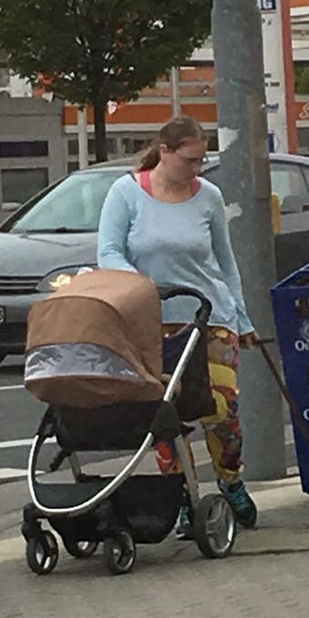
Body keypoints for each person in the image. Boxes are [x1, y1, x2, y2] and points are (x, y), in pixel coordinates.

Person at [97, 116, 258, 534]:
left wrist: (240, 317)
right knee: (166, 414)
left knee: (221, 408)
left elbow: (226, 264)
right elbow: (109, 252)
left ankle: (230, 479)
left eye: (202, 161)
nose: (196, 170)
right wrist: (145, 288)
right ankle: (182, 493)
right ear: (164, 151)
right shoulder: (127, 193)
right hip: (155, 321)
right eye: (189, 160)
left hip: (211, 316)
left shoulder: (208, 198)